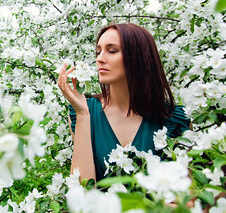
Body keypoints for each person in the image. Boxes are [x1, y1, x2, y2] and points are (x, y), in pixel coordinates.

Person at [57, 23, 191, 183]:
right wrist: (82, 114)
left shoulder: (175, 119)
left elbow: (188, 194)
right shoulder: (86, 112)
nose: (100, 59)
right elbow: (82, 194)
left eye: (112, 51)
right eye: (98, 52)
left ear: (139, 56)